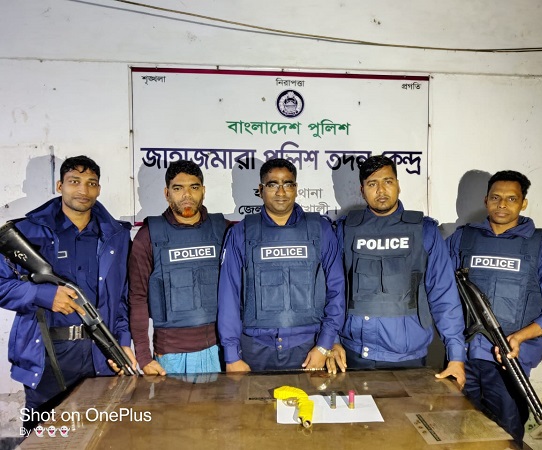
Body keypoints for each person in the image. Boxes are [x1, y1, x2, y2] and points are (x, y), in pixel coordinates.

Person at [0, 155, 135, 431]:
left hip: (99, 354)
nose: (83, 190)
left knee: (99, 437)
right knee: (44, 439)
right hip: (46, 356)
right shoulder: (27, 232)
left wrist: (122, 342)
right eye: (75, 181)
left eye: (91, 183)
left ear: (99, 189)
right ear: (60, 185)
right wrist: (43, 296)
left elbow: (122, 297)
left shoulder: (116, 236)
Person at [446, 170, 542, 445]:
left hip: (508, 363)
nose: (502, 204)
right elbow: (439, 291)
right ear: (486, 200)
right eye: (495, 198)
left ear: (523, 203)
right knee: (455, 433)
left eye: (511, 199)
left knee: (505, 437)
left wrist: (519, 337)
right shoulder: (463, 239)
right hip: (462, 357)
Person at [335, 155, 466, 384]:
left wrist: (456, 356)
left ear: (398, 185)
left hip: (407, 357)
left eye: (388, 181)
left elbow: (443, 294)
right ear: (362, 190)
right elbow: (333, 290)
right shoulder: (345, 229)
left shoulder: (424, 231)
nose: (381, 190)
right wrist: (332, 341)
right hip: (354, 353)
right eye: (372, 184)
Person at [218, 158, 345, 372]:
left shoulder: (321, 230)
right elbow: (229, 295)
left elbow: (337, 289)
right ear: (260, 190)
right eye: (273, 184)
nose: (281, 192)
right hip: (255, 350)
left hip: (309, 349)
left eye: (287, 184)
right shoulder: (241, 233)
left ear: (296, 188)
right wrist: (231, 355)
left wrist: (324, 344)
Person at [129, 160, 228, 375]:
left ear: (203, 191)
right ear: (167, 193)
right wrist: (143, 356)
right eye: (178, 188)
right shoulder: (148, 236)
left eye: (194, 187)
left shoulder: (223, 230)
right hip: (171, 356)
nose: (187, 195)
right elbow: (137, 298)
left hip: (221, 350)